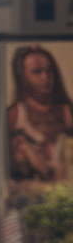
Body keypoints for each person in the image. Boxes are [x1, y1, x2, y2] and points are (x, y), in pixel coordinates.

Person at [8, 45, 73, 183]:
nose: (45, 77)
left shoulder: (67, 110)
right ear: (22, 76)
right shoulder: (15, 115)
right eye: (37, 72)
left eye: (49, 71)